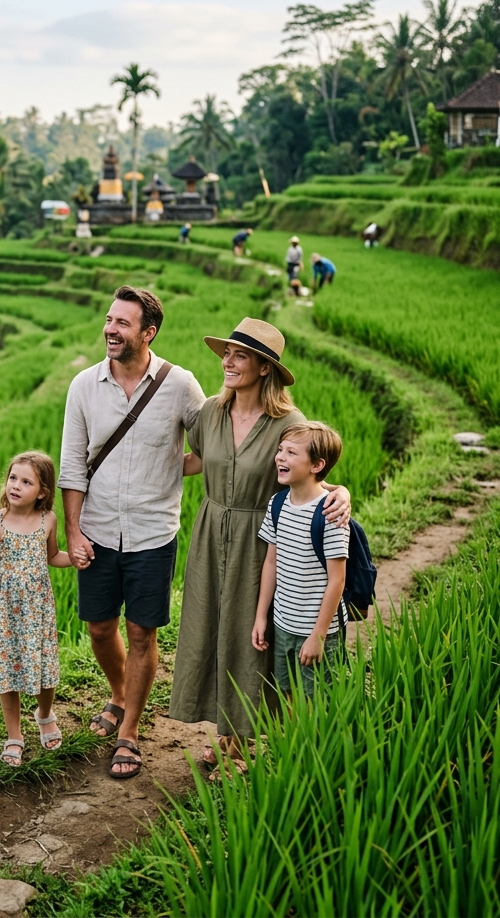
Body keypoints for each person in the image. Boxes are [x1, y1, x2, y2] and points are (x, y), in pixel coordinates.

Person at [168, 318, 350, 771]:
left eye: (240, 355)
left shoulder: (288, 422)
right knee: (211, 627)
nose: (227, 362)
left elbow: (311, 472)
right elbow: (196, 461)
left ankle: (244, 738)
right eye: (226, 353)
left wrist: (342, 493)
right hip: (211, 532)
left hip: (261, 539)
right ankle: (224, 731)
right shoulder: (210, 412)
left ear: (264, 367)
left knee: (252, 635)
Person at [59, 286, 206, 779]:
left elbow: (215, 446)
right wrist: (74, 532)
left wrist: (171, 466)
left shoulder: (181, 385)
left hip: (152, 531)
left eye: (123, 323)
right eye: (108, 319)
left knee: (142, 632)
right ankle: (119, 695)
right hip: (98, 531)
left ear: (149, 332)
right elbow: (72, 466)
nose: (110, 329)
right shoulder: (83, 385)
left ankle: (130, 731)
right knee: (100, 627)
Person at [0, 452, 72, 767]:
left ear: (42, 492)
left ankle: (44, 715)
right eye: (13, 478)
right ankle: (14, 735)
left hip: (37, 612)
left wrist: (78, 558)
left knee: (45, 670)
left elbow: (53, 556)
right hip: (4, 614)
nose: (16, 485)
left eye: (26, 482)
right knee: (7, 674)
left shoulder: (48, 520)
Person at [252, 422, 349, 700]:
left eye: (291, 452)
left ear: (317, 465)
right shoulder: (278, 503)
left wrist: (318, 636)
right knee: (289, 695)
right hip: (284, 624)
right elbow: (271, 562)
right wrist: (261, 616)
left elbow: (337, 580)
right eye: (280, 450)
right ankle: (294, 745)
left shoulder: (330, 513)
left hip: (319, 630)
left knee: (318, 700)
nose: (280, 457)